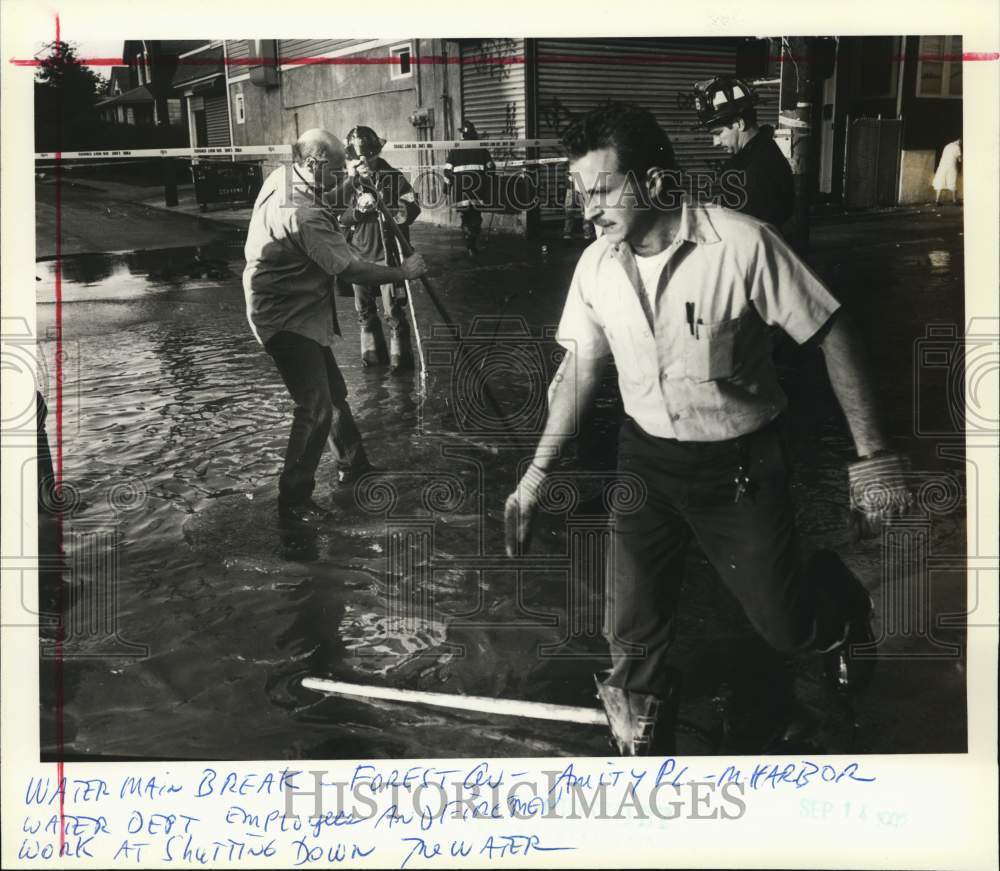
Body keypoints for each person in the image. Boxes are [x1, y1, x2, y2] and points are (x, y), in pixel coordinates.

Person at [503, 103, 913, 755]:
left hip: (740, 464)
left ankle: (840, 604)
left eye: (602, 190)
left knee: (787, 627)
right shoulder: (596, 268)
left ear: (654, 181)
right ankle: (644, 754)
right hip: (645, 462)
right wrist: (533, 478)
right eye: (580, 193)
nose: (587, 210)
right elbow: (579, 371)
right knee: (630, 634)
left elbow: (831, 329)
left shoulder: (742, 245)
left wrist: (873, 458)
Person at [243, 128, 427, 525]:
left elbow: (325, 202)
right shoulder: (304, 215)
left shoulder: (285, 177)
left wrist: (352, 187)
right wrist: (402, 272)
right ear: (315, 163)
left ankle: (353, 464)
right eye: (339, 167)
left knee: (334, 394)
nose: (344, 172)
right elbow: (349, 268)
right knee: (314, 407)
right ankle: (294, 502)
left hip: (292, 305)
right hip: (285, 317)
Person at [339, 125, 422, 370]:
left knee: (393, 313)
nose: (362, 163)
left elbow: (412, 207)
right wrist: (357, 210)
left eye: (367, 158)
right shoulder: (347, 183)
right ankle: (372, 363)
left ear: (376, 154)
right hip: (358, 256)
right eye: (356, 159)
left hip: (389, 255)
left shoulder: (393, 177)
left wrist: (394, 208)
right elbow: (338, 218)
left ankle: (401, 366)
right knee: (364, 313)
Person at [693, 75, 794, 231]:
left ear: (739, 123)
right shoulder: (761, 153)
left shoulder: (755, 169)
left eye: (718, 133)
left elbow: (750, 232)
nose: (716, 142)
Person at [443, 119, 495, 256]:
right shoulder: (481, 149)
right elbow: (491, 169)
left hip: (461, 192)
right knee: (476, 217)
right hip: (477, 190)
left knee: (466, 215)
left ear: (463, 135)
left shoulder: (455, 149)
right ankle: (471, 243)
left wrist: (446, 189)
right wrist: (487, 183)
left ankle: (468, 237)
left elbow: (447, 171)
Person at [932, 138, 962, 205]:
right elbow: (959, 160)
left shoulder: (947, 146)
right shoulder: (957, 147)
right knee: (952, 182)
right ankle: (954, 201)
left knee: (940, 182)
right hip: (951, 166)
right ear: (959, 141)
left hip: (942, 166)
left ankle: (937, 201)